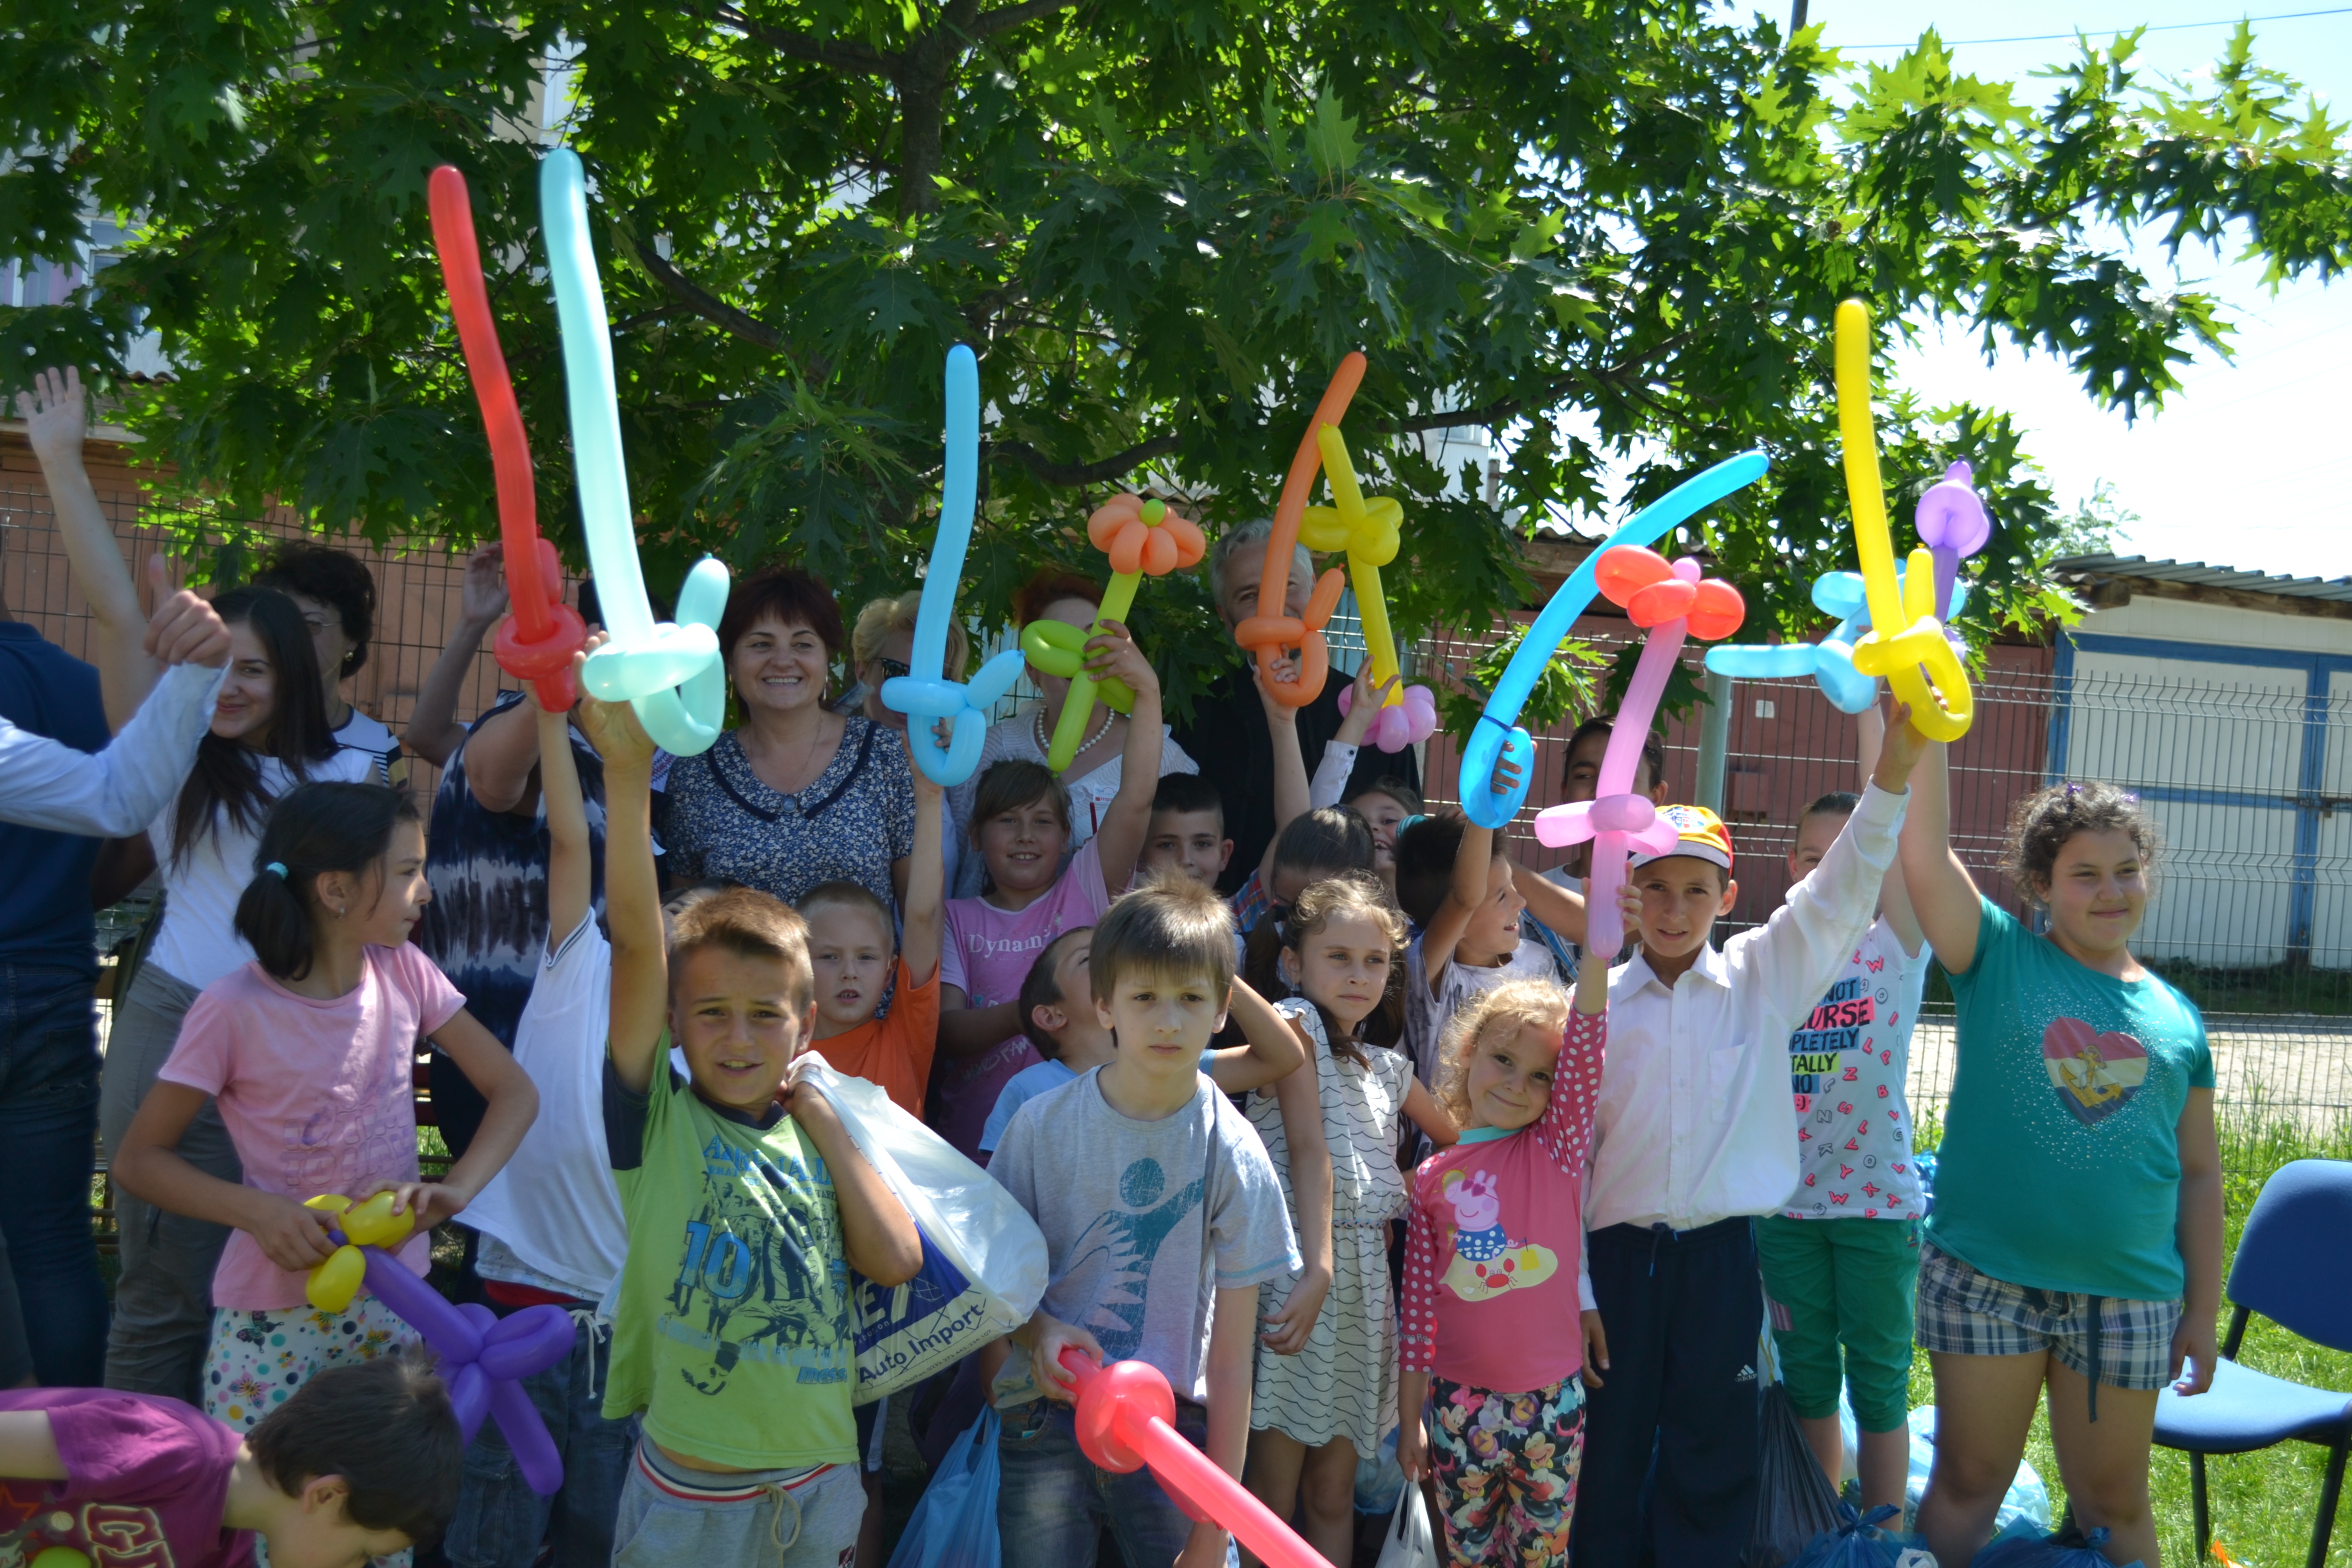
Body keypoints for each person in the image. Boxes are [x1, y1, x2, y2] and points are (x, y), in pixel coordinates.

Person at [1570, 719, 1924, 1568]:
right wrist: (1578, 1287)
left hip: (1722, 1261)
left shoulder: (1762, 978)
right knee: (1607, 1451)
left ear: (1727, 897)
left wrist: (1897, 768)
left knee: (1713, 1451)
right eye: (1654, 888)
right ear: (1627, 890)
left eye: (1696, 891)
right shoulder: (1593, 1006)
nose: (1673, 910)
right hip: (1614, 1265)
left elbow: (1841, 886)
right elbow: (1567, 1160)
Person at [597, 684, 922, 1568]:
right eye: (709, 1012)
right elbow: (635, 944)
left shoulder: (817, 1125)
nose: (737, 1037)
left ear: (805, 1026)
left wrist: (815, 1105)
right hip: (686, 1496)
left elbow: (895, 1259)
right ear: (671, 1021)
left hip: (817, 1484)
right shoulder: (657, 1123)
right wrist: (628, 775)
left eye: (763, 1016)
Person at [111, 782, 537, 1436]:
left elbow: (515, 1092)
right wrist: (254, 1212)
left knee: (381, 1506)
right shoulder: (231, 1009)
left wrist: (454, 1192)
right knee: (268, 1509)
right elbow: (139, 1161)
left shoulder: (408, 974)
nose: (425, 890)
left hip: (399, 1305)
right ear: (335, 891)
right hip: (270, 1321)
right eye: (407, 872)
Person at [1900, 776, 2220, 1568]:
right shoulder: (1997, 955)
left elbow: (2202, 1173)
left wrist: (2202, 1311)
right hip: (1985, 1283)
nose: (2111, 891)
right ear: (2041, 887)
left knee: (2114, 1505)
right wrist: (1931, 737)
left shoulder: (2177, 1019)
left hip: (2128, 1300)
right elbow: (1926, 855)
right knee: (1970, 1481)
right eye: (2085, 874)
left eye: (2126, 870)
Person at [101, 588, 381, 1404]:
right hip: (175, 1030)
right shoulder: (172, 754)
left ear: (293, 675)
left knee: (283, 1299)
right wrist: (63, 463)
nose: (228, 685)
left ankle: (250, 1505)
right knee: (164, 1299)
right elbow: (117, 621)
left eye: (252, 668)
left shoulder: (353, 772)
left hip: (300, 1057)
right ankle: (139, 1506)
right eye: (213, 664)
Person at [984, 877, 1301, 1568]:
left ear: (1222, 1010)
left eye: (1191, 999)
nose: (1167, 1021)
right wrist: (1038, 1333)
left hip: (1177, 1436)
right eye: (1145, 997)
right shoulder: (1040, 1127)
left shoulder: (1232, 1147)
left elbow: (1232, 1355)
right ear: (1104, 1006)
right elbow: (992, 1279)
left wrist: (1216, 1520)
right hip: (1047, 1418)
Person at [0, 574, 230, 1390]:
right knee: (53, 1242)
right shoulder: (75, 684)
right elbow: (129, 814)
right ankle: (69, 1460)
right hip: (53, 982)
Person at [442, 678, 639, 1568]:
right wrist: (555, 713)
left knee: (603, 1521)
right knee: (496, 1515)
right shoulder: (577, 963)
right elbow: (570, 837)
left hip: (616, 1326)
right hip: (519, 1304)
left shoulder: (690, 1048)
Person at [1758, 706, 1943, 1512]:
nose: (1827, 871)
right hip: (1784, 1210)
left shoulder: (1896, 945)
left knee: (1878, 1385)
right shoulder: (1768, 954)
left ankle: (1880, 1533)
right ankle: (1813, 1525)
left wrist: (1876, 714)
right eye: (1810, 857)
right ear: (1790, 869)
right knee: (1806, 1382)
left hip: (1873, 1208)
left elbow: (1891, 824)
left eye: (1844, 856)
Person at [1240, 874, 1455, 1565]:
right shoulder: (1291, 1027)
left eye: (1375, 961)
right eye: (1338, 956)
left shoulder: (1390, 1068)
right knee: (1271, 1496)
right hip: (1297, 1273)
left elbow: (1456, 1133)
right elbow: (1307, 1151)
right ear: (1293, 963)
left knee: (1333, 1494)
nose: (1360, 975)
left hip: (1366, 1290)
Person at [1397, 955, 1611, 1566]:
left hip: (1551, 1405)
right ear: (1467, 1056)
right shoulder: (1433, 1179)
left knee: (1541, 1560)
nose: (1519, 1085)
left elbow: (1589, 1040)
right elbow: (1416, 1317)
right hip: (1457, 1409)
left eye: (1542, 1075)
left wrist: (1597, 952)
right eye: (1504, 1061)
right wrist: (1411, 1418)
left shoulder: (1559, 1147)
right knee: (1466, 1559)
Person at [933, 617, 1163, 1163]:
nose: (1025, 837)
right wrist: (1033, 1011)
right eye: (1007, 822)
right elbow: (946, 1031)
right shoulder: (956, 918)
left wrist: (1147, 694)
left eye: (1042, 822)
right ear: (976, 835)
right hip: (976, 1150)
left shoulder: (1086, 886)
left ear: (1068, 837)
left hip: (1087, 1147)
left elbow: (1135, 800)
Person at [408, 565, 608, 1162]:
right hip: (502, 1056)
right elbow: (494, 781)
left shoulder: (607, 751)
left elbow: (427, 734)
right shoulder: (525, 729)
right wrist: (558, 684)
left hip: (556, 1051)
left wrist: (473, 620)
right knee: (499, 1250)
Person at [0, 1353, 463, 1568]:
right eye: (362, 1554)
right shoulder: (171, 1452)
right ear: (327, 1495)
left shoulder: (226, 1554)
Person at [1171, 518, 1420, 895]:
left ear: (1316, 590)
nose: (1274, 606)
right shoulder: (1199, 714)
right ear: (1226, 616)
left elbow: (1410, 843)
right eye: (1249, 595)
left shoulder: (1371, 709)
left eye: (1287, 585)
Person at [658, 566, 918, 910]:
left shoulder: (884, 755)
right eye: (761, 644)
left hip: (858, 967)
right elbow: (683, 926)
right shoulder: (696, 773)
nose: (783, 661)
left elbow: (920, 908)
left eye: (803, 644)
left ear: (828, 660)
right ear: (730, 664)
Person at [943, 570, 1198, 898]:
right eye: (1061, 641)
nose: (1084, 653)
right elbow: (957, 859)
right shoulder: (991, 748)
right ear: (1033, 669)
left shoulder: (1165, 759)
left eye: (1092, 638)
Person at [801, 755, 945, 1120]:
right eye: (829, 957)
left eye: (866, 957)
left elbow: (923, 916)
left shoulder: (905, 1035)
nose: (849, 972)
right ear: (795, 968)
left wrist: (928, 797)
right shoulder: (774, 1052)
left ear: (889, 971)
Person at [1393, 810, 1578, 1091]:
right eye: (1502, 895)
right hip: (1450, 1135)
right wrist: (1485, 809)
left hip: (1528, 1136)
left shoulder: (1537, 960)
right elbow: (1463, 898)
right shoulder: (1429, 979)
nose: (1521, 901)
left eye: (1513, 884)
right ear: (1458, 920)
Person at [252, 542, 403, 784]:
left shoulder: (379, 743)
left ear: (352, 637)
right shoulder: (242, 728)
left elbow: (395, 822)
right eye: (282, 624)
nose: (292, 637)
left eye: (311, 625)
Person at [849, 588, 968, 896]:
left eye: (935, 682)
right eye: (899, 673)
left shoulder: (959, 773)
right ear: (863, 671)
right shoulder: (826, 759)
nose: (917, 696)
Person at [1528, 716, 1669, 969]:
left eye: (1623, 778)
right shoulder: (1523, 904)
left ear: (1655, 796)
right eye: (1585, 776)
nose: (1603, 792)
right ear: (1565, 792)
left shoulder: (1669, 899)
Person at [1141, 773, 1234, 890]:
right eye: (1167, 845)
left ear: (1224, 855)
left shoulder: (1237, 909)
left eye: (1202, 844)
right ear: (1140, 856)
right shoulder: (1121, 909)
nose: (1185, 860)